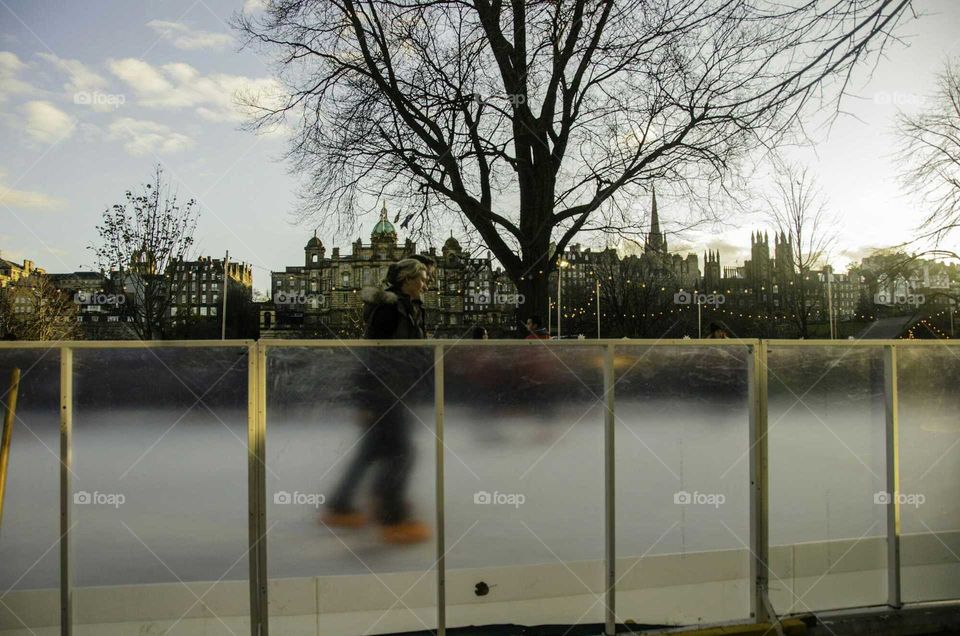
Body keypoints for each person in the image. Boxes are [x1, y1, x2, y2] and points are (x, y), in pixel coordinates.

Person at [324, 258, 431, 544]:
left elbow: (417, 353)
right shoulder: (388, 309)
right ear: (407, 279)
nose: (426, 283)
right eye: (422, 278)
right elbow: (372, 353)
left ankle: (339, 504)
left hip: (399, 389)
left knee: (372, 451)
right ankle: (390, 513)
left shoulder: (412, 308)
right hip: (383, 391)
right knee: (402, 453)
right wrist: (367, 399)